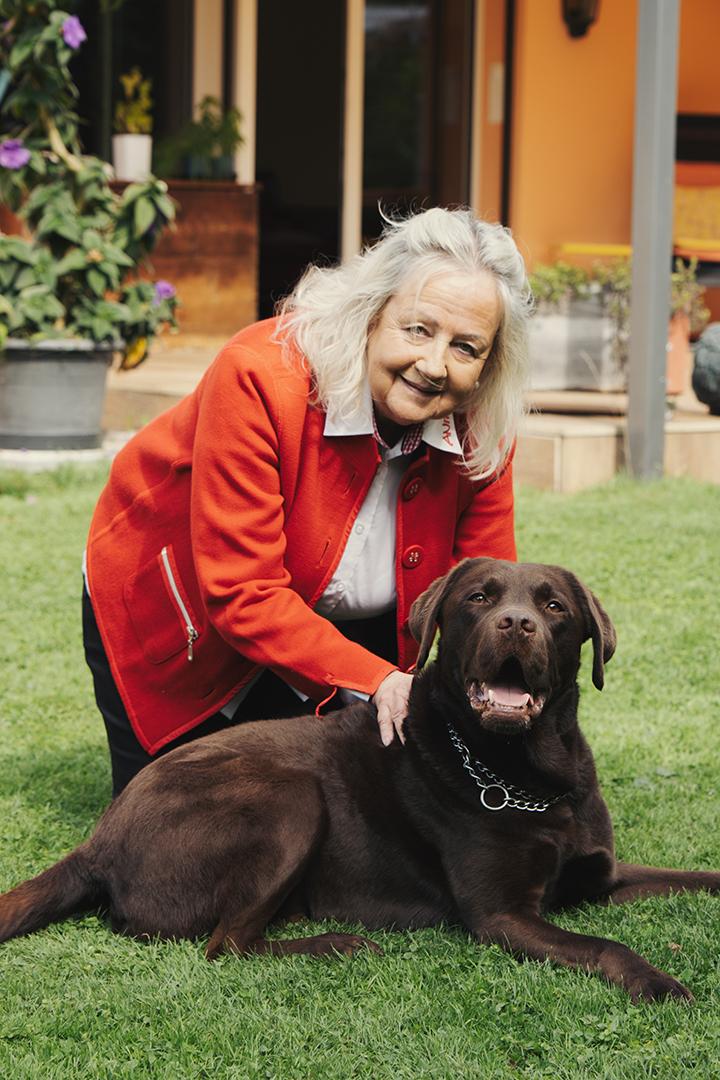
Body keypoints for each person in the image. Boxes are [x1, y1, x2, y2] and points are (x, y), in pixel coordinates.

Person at [83, 207, 532, 796]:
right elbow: (243, 592)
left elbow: (487, 592)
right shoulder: (259, 375)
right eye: (418, 329)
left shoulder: (483, 427)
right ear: (372, 314)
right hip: (182, 609)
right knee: (191, 810)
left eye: (466, 347)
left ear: (489, 363)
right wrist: (376, 680)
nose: (433, 365)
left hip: (347, 626)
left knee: (362, 805)